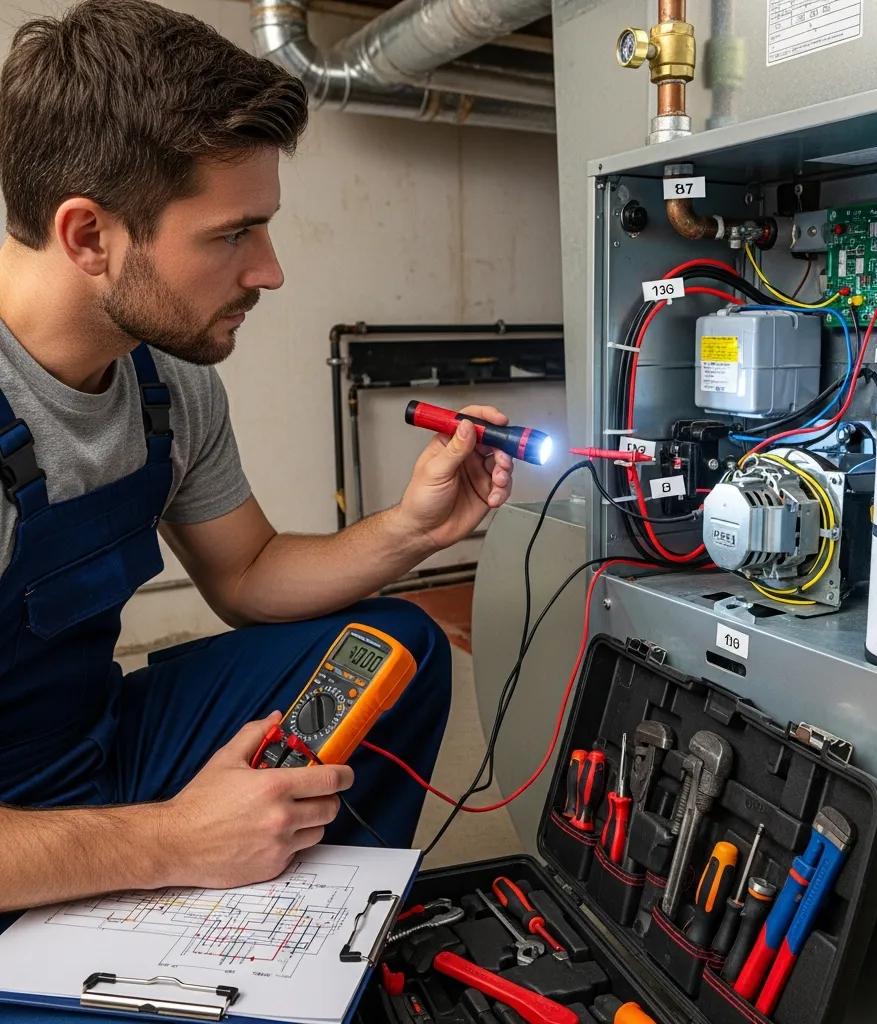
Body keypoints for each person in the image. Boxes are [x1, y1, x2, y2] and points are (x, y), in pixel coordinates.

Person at [0, 0, 514, 914]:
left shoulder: (163, 380)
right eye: (232, 233)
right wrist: (170, 841)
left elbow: (248, 573)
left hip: (90, 742)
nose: (270, 271)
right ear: (88, 236)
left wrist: (410, 530)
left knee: (393, 648)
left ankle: (296, 943)